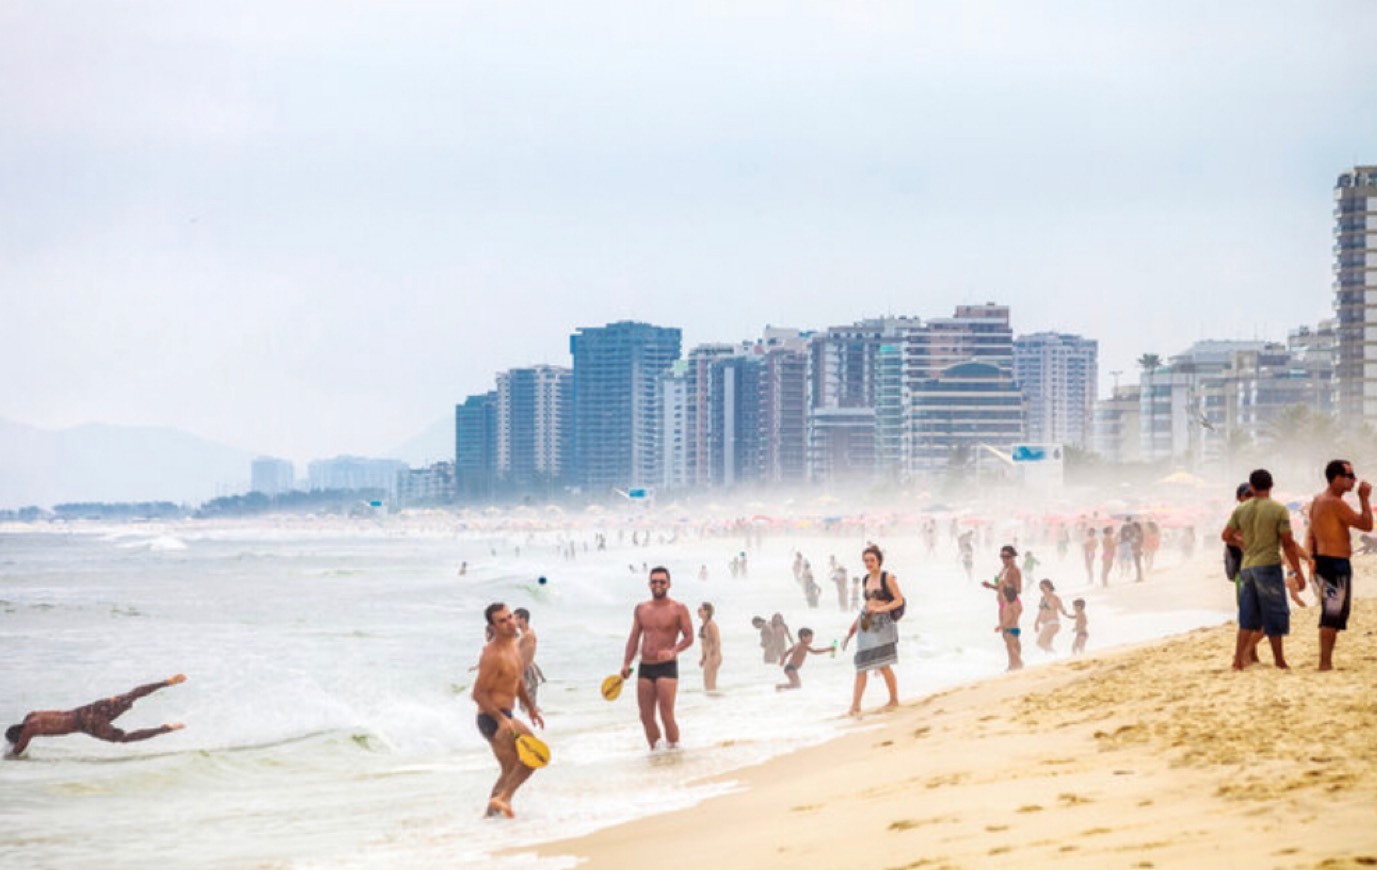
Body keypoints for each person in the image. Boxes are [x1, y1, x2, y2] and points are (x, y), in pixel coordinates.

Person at [1222, 468, 1308, 671]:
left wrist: (1242, 544)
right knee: (1275, 614)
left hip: (1247, 568)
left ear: (1252, 486)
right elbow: (1287, 543)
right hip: (1268, 566)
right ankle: (1279, 660)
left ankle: (1237, 661)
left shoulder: (1240, 510)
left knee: (1247, 617)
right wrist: (1298, 573)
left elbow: (1226, 535)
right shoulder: (1278, 509)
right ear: (1271, 486)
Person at [473, 603, 544, 818]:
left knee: (525, 762)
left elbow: (516, 679)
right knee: (519, 765)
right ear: (493, 627)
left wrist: (531, 708)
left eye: (509, 617)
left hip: (507, 716)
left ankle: (494, 814)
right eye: (501, 621)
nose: (509, 622)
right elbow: (478, 694)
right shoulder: (492, 654)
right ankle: (499, 804)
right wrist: (500, 719)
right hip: (492, 718)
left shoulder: (513, 646)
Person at [6, 675, 187, 758]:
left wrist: (9, 753)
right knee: (131, 695)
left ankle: (166, 729)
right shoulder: (31, 716)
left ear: (19, 734)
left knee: (123, 738)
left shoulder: (29, 731)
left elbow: (17, 752)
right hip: (90, 709)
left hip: (86, 725)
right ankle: (167, 682)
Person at [1306, 459, 1373, 671]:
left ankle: (1326, 661)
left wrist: (1312, 558)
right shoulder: (1334, 502)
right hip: (1334, 564)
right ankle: (1324, 663)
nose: (1353, 480)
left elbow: (1312, 533)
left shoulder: (1318, 500)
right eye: (1349, 476)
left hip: (1327, 561)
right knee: (1331, 614)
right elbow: (1366, 525)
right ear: (1336, 478)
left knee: (1333, 614)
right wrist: (1364, 499)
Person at [619, 567, 694, 749]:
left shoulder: (678, 608)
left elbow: (689, 637)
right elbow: (634, 637)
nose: (658, 584)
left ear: (668, 584)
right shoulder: (641, 609)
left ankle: (675, 750)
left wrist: (673, 651)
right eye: (654, 581)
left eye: (661, 581)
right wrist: (626, 663)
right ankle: (657, 752)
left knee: (666, 714)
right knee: (645, 716)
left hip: (666, 667)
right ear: (649, 584)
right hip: (645, 666)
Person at [840, 544, 903, 715]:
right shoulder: (866, 579)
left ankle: (894, 700)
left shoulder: (888, 578)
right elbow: (867, 605)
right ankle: (855, 706)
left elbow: (899, 600)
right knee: (861, 665)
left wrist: (880, 609)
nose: (868, 563)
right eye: (866, 560)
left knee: (883, 664)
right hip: (866, 622)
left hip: (882, 625)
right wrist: (854, 625)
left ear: (879, 560)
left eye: (871, 560)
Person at [513, 608, 544, 716]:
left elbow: (528, 657)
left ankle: (541, 725)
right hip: (523, 671)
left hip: (526, 672)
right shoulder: (524, 635)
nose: (513, 621)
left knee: (527, 705)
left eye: (515, 618)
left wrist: (521, 673)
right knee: (524, 705)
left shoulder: (528, 635)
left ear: (523, 619)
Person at [1033, 579, 1073, 653]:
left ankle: (1054, 653)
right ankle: (1052, 657)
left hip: (1053, 623)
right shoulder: (1043, 598)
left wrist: (1066, 612)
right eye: (1040, 588)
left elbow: (1061, 608)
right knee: (1047, 644)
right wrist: (1036, 623)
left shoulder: (1055, 598)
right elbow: (1040, 611)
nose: (1042, 590)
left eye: (1043, 588)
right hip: (1046, 624)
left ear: (1049, 587)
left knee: (1040, 642)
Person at [996, 586, 1023, 671]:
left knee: (1010, 647)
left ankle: (1019, 663)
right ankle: (1012, 665)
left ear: (1007, 595)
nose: (1002, 596)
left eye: (1004, 595)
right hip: (1016, 627)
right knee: (1015, 646)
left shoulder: (1009, 605)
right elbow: (1019, 612)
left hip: (1009, 629)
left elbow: (1008, 618)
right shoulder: (1017, 604)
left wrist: (1000, 626)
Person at [697, 602, 722, 692]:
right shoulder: (703, 626)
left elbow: (717, 641)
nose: (698, 612)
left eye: (701, 610)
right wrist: (703, 657)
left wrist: (711, 655)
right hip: (708, 656)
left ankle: (717, 703)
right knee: (707, 685)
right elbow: (704, 643)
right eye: (698, 610)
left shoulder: (711, 624)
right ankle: (712, 704)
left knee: (710, 685)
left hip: (713, 656)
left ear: (707, 612)